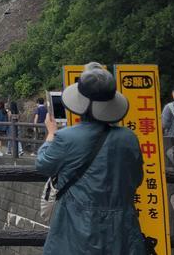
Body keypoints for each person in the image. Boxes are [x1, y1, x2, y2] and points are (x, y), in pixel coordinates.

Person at [36, 62, 145, 254]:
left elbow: (43, 164)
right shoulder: (129, 138)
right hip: (122, 229)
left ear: (80, 102)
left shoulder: (67, 137)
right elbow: (136, 179)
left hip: (77, 227)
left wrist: (51, 134)